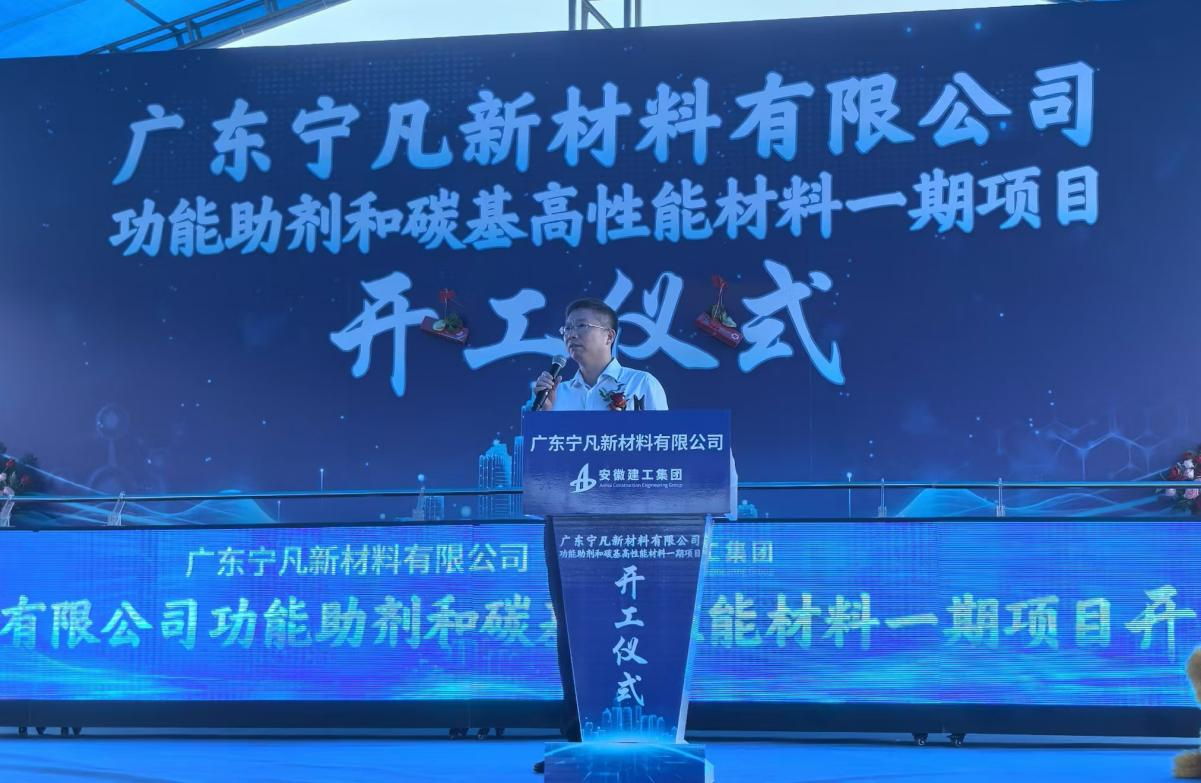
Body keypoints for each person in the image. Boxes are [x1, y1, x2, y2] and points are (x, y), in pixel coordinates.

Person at [530, 297, 667, 774]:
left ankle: (640, 730)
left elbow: (664, 451)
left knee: (631, 622)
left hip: (628, 524)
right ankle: (577, 735)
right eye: (566, 328)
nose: (571, 335)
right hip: (567, 522)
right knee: (571, 627)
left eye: (581, 326)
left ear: (609, 335)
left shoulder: (641, 385)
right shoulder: (555, 394)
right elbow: (539, 462)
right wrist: (542, 414)